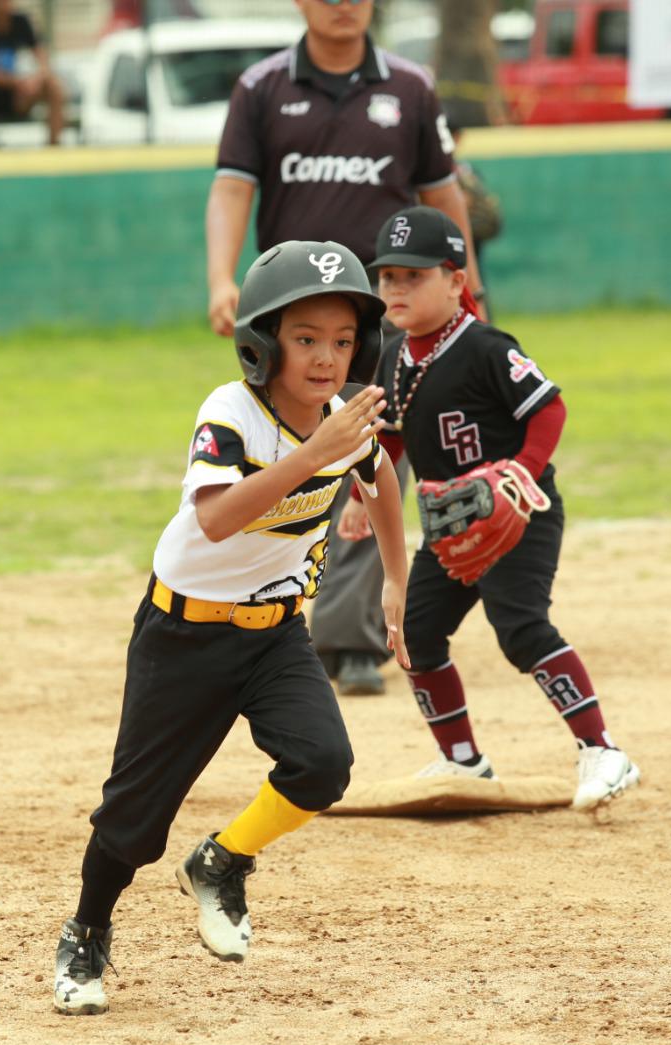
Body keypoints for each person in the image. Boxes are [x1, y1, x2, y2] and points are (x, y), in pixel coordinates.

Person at [51, 241, 411, 1016]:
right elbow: (216, 519)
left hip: (275, 633)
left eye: (343, 341)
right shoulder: (231, 412)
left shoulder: (342, 422)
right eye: (306, 338)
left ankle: (222, 861)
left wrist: (396, 583)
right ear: (263, 342)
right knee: (134, 819)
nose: (326, 358)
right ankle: (86, 932)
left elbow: (379, 483)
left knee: (322, 765)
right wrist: (318, 452)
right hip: (183, 636)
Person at [206, 0, 484, 699]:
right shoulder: (261, 87)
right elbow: (233, 187)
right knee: (285, 460)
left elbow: (443, 193)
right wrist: (220, 278)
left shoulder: (410, 87)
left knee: (375, 454)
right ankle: (270, 619)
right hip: (292, 319)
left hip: (385, 310)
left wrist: (466, 287)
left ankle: (349, 638)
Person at [338, 206, 641, 811]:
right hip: (451, 525)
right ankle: (463, 761)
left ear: (456, 281)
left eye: (414, 276)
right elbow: (392, 437)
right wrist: (361, 498)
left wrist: (524, 474)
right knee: (418, 634)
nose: (396, 288)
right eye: (388, 276)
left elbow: (548, 409)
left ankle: (602, 751)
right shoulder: (395, 357)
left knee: (520, 628)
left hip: (520, 515)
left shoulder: (484, 346)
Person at [0, 0, 67, 147]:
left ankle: (55, 145)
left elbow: (44, 61)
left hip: (18, 95)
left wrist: (35, 79)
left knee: (54, 85)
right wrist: (15, 82)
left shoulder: (22, 21)